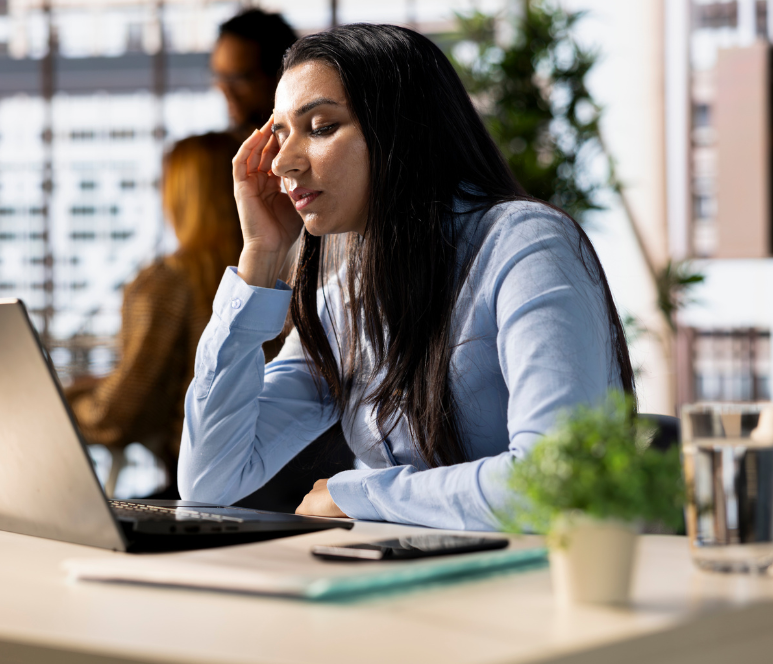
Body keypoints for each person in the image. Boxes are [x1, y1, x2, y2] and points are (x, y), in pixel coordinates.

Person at [178, 25, 634, 530]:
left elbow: (557, 483)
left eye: (322, 127)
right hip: (394, 584)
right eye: (280, 135)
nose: (283, 163)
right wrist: (260, 258)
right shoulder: (345, 298)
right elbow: (209, 481)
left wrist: (361, 494)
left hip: (532, 589)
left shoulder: (525, 245)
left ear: (400, 131)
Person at [65, 132, 242, 497]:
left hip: (203, 492)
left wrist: (61, 402)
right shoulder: (290, 277)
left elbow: (118, 414)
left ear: (179, 194)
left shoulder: (169, 282)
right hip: (296, 491)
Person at [211, 9, 297, 140]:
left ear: (279, 77)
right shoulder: (222, 152)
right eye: (220, 77)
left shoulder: (311, 152)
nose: (225, 89)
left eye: (237, 78)